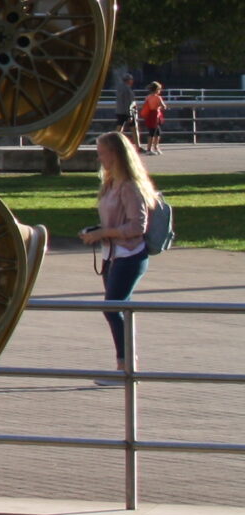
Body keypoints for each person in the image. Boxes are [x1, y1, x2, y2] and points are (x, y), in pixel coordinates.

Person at [84, 130, 164, 377]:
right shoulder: (110, 184)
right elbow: (115, 220)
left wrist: (104, 232)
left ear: (116, 154)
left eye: (102, 153)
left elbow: (137, 227)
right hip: (111, 255)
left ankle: (125, 365)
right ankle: (126, 364)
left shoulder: (129, 186)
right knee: (119, 309)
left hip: (129, 256)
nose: (99, 159)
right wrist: (97, 231)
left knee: (112, 308)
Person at [138, 82, 167, 155]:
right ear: (157, 89)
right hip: (155, 115)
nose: (160, 90)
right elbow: (164, 106)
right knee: (155, 132)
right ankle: (151, 148)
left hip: (149, 115)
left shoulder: (148, 97)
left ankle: (153, 148)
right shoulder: (158, 97)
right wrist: (160, 107)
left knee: (154, 131)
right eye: (159, 89)